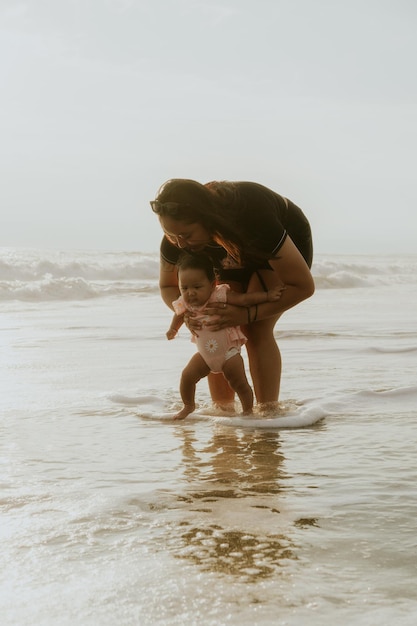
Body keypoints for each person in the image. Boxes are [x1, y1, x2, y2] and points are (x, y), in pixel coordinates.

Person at [150, 178, 314, 410]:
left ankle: (268, 410)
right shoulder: (178, 240)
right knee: (217, 321)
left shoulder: (254, 217)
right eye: (171, 235)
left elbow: (303, 287)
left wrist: (248, 315)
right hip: (228, 247)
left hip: (276, 238)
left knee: (256, 328)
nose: (180, 244)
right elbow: (168, 287)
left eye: (186, 235)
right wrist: (188, 310)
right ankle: (223, 410)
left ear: (207, 219)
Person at [167, 251, 285, 420]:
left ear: (212, 283)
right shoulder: (185, 302)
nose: (190, 293)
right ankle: (188, 406)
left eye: (197, 287)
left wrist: (267, 295)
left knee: (240, 384)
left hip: (229, 354)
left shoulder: (219, 295)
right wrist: (173, 329)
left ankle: (247, 411)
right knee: (187, 377)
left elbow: (245, 299)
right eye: (184, 288)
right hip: (205, 355)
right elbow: (178, 314)